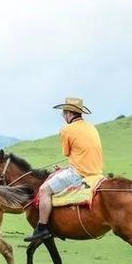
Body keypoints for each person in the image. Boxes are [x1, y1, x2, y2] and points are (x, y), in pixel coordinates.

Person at [25, 97, 103, 242]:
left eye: (63, 113)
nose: (63, 116)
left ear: (69, 113)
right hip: (96, 172)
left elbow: (67, 153)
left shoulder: (66, 129)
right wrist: (66, 168)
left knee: (43, 191)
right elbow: (81, 154)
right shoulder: (92, 127)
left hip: (79, 173)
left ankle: (42, 228)